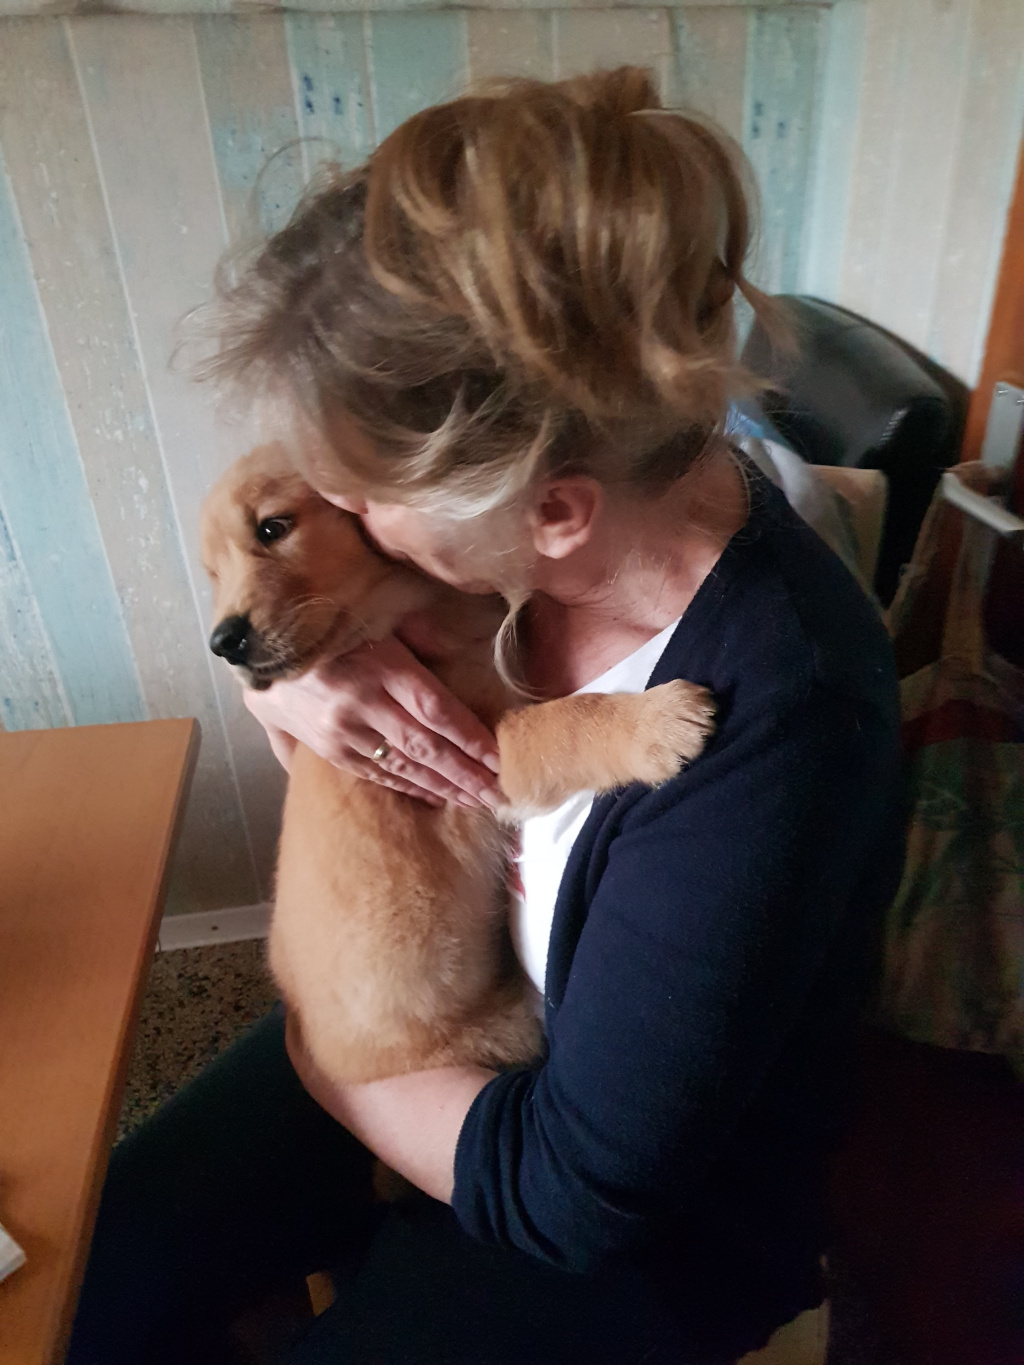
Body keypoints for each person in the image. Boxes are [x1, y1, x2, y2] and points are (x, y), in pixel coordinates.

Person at [68, 67, 904, 1365]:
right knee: (89, 1265)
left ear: (549, 511)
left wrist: (325, 1062)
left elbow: (575, 1195)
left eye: (366, 494)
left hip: (616, 1211)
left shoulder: (785, 713)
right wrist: (295, 676)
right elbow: (279, 597)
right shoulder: (526, 539)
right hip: (440, 1014)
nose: (345, 515)